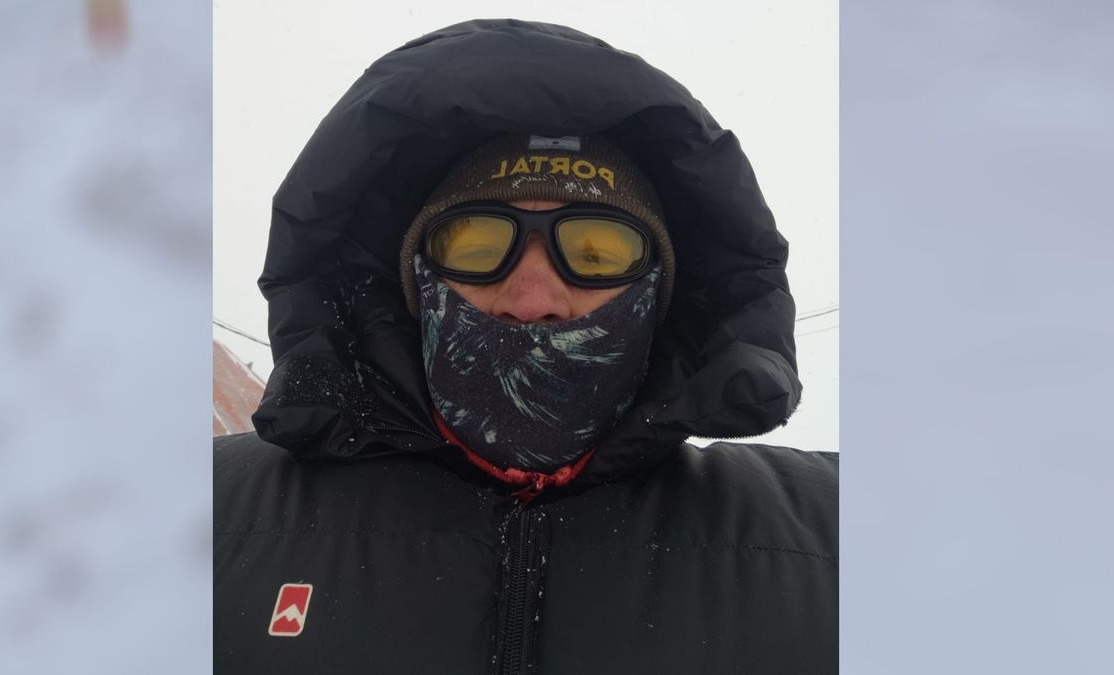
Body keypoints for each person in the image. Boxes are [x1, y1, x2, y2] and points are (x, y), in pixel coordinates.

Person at [214, 18, 837, 674]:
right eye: (479, 244)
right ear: (413, 286)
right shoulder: (205, 521)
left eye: (595, 250)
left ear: (660, 296)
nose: (533, 296)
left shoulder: (833, 546)